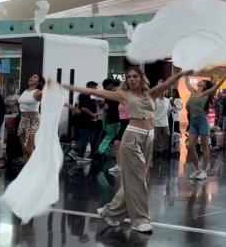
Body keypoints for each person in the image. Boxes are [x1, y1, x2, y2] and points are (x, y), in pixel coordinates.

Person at [65, 67, 188, 234]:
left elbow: (168, 82)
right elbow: (97, 92)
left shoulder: (150, 94)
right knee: (138, 180)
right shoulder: (123, 95)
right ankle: (140, 220)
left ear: (141, 78)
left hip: (149, 137)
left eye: (135, 76)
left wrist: (181, 73)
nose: (131, 79)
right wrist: (71, 87)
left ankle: (111, 213)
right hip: (132, 138)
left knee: (137, 179)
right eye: (129, 77)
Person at [185, 69, 226, 180]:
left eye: (203, 81)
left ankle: (204, 170)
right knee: (190, 146)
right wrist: (184, 72)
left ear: (205, 85)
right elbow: (187, 82)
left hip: (202, 122)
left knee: (205, 147)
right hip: (193, 121)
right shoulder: (193, 91)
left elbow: (217, 85)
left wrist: (225, 75)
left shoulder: (206, 93)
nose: (200, 81)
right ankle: (197, 170)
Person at [68, 81, 99, 163]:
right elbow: (84, 108)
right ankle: (80, 155)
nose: (96, 89)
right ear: (90, 87)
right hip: (83, 120)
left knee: (86, 138)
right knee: (85, 138)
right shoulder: (85, 94)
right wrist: (93, 114)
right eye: (95, 87)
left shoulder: (89, 95)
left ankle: (75, 152)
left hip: (87, 120)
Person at [17, 74, 45, 164]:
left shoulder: (39, 92)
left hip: (34, 120)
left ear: (39, 81)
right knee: (24, 148)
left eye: (35, 77)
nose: (31, 77)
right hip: (23, 119)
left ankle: (37, 166)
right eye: (31, 76)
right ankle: (26, 170)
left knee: (29, 148)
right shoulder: (25, 91)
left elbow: (49, 97)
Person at [97, 79, 121, 159]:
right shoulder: (112, 94)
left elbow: (106, 107)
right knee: (117, 137)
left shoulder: (108, 94)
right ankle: (117, 154)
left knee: (109, 137)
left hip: (113, 119)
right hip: (116, 119)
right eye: (112, 85)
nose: (113, 86)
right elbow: (106, 107)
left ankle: (101, 151)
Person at [108, 101, 128, 173]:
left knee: (118, 144)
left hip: (129, 123)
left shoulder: (130, 98)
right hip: (122, 123)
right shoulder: (119, 98)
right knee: (117, 144)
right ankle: (120, 165)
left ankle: (122, 165)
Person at [153, 84, 171, 158]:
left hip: (165, 122)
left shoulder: (167, 100)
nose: (163, 92)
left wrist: (166, 117)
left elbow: (169, 111)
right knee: (155, 138)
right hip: (156, 122)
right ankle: (156, 151)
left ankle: (164, 150)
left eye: (164, 91)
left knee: (167, 135)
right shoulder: (155, 100)